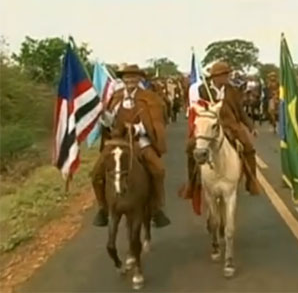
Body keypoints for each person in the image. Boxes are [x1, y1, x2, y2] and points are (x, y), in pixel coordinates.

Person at [90, 64, 170, 228]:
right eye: (127, 77)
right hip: (118, 141)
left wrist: (137, 128)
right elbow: (110, 122)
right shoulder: (116, 97)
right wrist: (103, 115)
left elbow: (156, 122)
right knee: (96, 173)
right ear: (123, 79)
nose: (130, 80)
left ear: (139, 78)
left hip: (140, 141)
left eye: (134, 77)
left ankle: (156, 208)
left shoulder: (150, 98)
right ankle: (103, 209)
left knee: (158, 170)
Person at [184, 61, 260, 198]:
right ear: (213, 77)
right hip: (209, 123)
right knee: (191, 147)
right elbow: (198, 109)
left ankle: (251, 181)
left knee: (248, 147)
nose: (225, 78)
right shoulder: (203, 89)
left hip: (230, 124)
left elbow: (240, 111)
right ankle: (192, 184)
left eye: (226, 75)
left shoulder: (232, 90)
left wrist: (250, 126)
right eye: (221, 75)